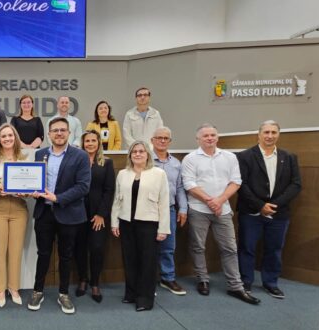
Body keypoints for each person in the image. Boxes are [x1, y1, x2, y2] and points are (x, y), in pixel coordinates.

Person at [181, 124, 260, 305]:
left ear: (217, 137)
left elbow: (236, 181)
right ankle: (202, 279)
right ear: (198, 139)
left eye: (213, 135)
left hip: (222, 210)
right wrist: (210, 201)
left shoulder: (229, 157)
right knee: (198, 246)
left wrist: (220, 200)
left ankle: (235, 286)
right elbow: (189, 184)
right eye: (205, 136)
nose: (210, 138)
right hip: (198, 209)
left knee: (230, 248)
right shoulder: (190, 159)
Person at [28, 117, 91, 314]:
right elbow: (35, 180)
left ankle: (63, 293)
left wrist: (58, 198)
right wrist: (32, 190)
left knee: (66, 256)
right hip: (44, 213)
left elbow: (83, 187)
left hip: (69, 214)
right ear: (49, 134)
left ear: (69, 133)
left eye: (63, 130)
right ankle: (38, 290)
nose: (59, 133)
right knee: (43, 254)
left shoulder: (80, 156)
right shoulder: (40, 154)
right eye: (55, 130)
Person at [237, 120, 302, 299]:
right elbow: (241, 184)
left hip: (278, 213)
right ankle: (245, 282)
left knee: (274, 249)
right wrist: (260, 205)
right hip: (251, 212)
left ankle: (271, 283)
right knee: (247, 248)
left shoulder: (289, 157)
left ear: (278, 135)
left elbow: (296, 184)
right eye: (266, 132)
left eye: (274, 132)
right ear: (259, 134)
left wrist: (274, 205)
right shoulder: (244, 156)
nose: (270, 136)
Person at [111, 141, 169, 311]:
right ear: (130, 155)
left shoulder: (158, 174)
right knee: (129, 259)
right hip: (126, 222)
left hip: (149, 223)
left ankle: (145, 298)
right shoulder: (123, 174)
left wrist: (163, 228)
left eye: (141, 151)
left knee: (147, 262)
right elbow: (117, 200)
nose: (137, 154)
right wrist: (114, 222)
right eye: (134, 151)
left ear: (147, 154)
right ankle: (131, 293)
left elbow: (164, 202)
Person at [0, 124, 29, 307]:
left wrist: (25, 192)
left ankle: (14, 288)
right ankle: (0, 289)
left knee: (16, 251)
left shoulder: (24, 159)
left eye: (10, 135)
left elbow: (30, 186)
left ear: (15, 137)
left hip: (19, 209)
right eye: (3, 136)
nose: (7, 139)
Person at [74, 130, 115, 303]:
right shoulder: (77, 161)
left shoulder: (107, 162)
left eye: (93, 140)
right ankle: (83, 279)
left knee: (97, 248)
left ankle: (95, 283)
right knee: (80, 248)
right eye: (87, 141)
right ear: (83, 144)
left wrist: (101, 214)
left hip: (98, 214)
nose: (90, 144)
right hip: (78, 212)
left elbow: (109, 190)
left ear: (99, 143)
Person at [151, 127, 188, 295]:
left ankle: (167, 278)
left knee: (168, 246)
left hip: (169, 210)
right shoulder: (146, 160)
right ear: (152, 140)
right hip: (149, 210)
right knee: (147, 246)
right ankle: (147, 279)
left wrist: (183, 209)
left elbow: (180, 188)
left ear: (170, 141)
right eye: (159, 137)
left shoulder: (176, 164)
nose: (162, 141)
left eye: (166, 138)